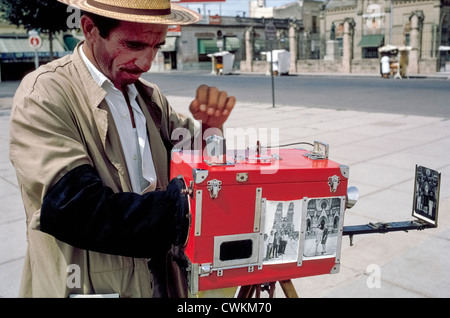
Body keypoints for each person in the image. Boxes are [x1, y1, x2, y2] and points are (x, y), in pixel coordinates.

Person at [9, 0, 235, 298]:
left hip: (160, 281)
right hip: (92, 286)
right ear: (90, 29)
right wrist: (184, 211)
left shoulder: (149, 97)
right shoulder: (45, 94)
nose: (146, 62)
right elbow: (74, 209)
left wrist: (210, 128)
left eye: (156, 46)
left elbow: (194, 161)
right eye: (133, 44)